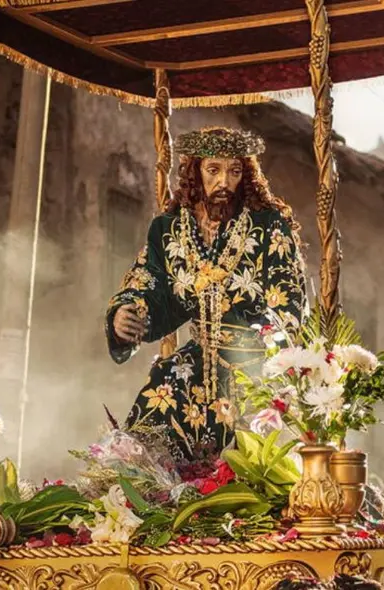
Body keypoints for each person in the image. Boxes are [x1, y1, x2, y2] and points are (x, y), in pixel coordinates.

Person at [105, 127, 306, 466]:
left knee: (256, 454)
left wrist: (270, 355)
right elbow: (149, 284)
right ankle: (152, 490)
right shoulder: (169, 229)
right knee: (156, 407)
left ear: (246, 175)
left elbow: (289, 301)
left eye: (234, 171)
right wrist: (126, 315)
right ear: (195, 171)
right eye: (214, 170)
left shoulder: (267, 225)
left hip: (255, 364)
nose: (224, 181)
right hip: (195, 363)